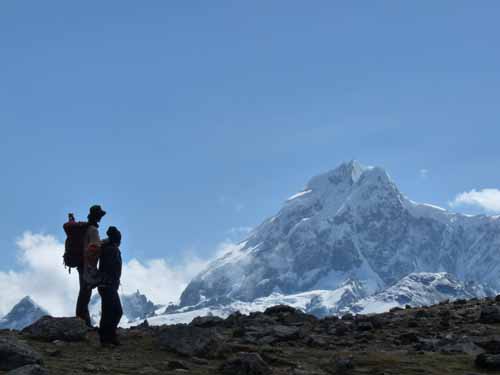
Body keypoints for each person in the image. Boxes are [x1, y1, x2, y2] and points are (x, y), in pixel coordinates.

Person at [76, 205, 106, 327]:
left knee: (84, 291)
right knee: (85, 292)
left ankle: (82, 321)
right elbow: (94, 247)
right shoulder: (93, 230)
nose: (100, 218)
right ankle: (83, 323)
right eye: (100, 216)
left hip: (81, 264)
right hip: (87, 266)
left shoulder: (86, 228)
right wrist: (105, 243)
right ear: (97, 216)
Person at [97, 226, 123, 346]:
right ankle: (106, 337)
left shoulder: (107, 248)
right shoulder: (111, 250)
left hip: (105, 284)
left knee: (109, 311)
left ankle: (108, 336)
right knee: (115, 311)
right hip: (108, 285)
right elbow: (111, 268)